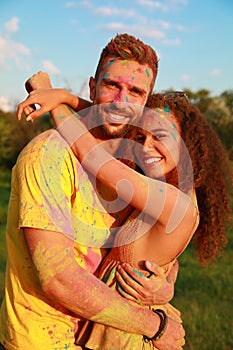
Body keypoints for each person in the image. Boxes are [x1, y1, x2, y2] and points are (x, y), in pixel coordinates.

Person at [0, 33, 185, 350]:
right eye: (112, 85)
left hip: (101, 335)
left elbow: (158, 245)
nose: (121, 100)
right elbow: (57, 278)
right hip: (43, 340)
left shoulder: (133, 163)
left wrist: (164, 285)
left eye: (136, 92)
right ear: (92, 86)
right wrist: (156, 326)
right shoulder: (49, 157)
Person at [20, 90, 232, 350]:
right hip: (125, 319)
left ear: (186, 143)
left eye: (161, 137)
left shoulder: (173, 201)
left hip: (130, 332)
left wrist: (56, 100)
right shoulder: (167, 188)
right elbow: (112, 123)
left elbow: (90, 153)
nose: (145, 148)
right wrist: (168, 283)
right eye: (140, 137)